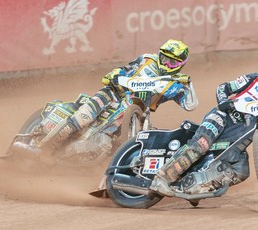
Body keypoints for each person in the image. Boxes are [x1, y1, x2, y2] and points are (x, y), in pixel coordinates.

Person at [150, 58, 258, 196]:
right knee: (201, 144)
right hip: (222, 118)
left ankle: (191, 186)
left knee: (242, 169)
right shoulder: (254, 79)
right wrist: (222, 102)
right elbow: (224, 88)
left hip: (237, 138)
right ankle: (162, 179)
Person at [14, 39, 198, 160]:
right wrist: (116, 75)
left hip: (136, 113)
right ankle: (42, 149)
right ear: (160, 54)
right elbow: (122, 70)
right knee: (83, 117)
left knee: (128, 142)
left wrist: (188, 84)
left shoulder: (174, 83)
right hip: (112, 95)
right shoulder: (146, 60)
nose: (166, 64)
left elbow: (190, 105)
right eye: (165, 58)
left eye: (172, 63)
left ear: (181, 65)